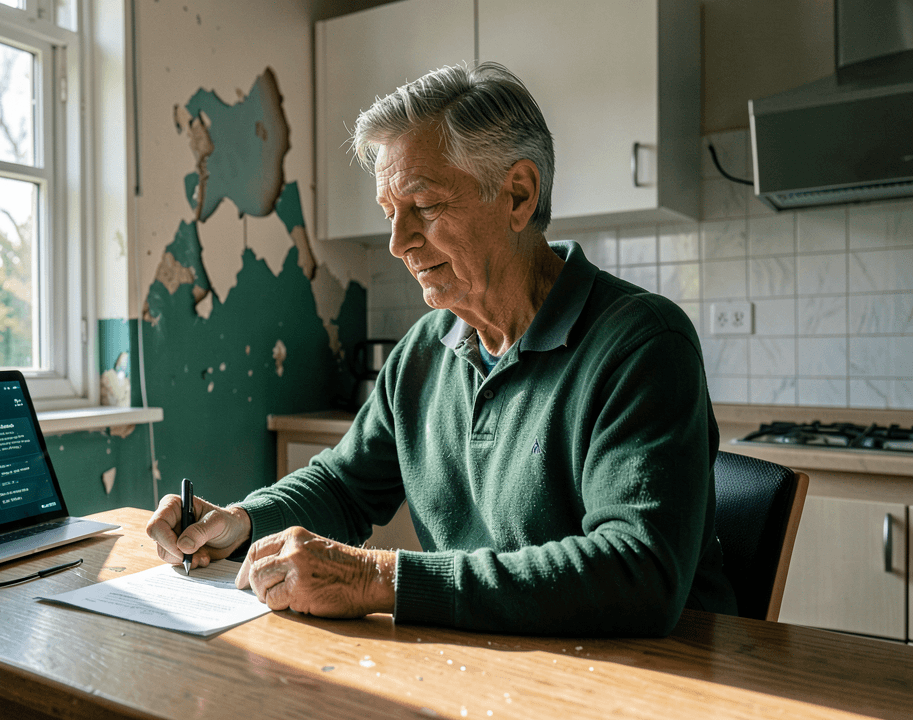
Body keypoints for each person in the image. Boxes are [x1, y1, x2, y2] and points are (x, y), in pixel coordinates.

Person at [145, 61, 736, 636]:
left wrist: (378, 578)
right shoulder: (425, 350)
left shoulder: (643, 345)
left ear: (518, 195)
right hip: (486, 664)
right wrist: (242, 521)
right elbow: (344, 486)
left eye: (424, 207)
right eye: (390, 214)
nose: (398, 242)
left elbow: (637, 572)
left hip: (648, 678)